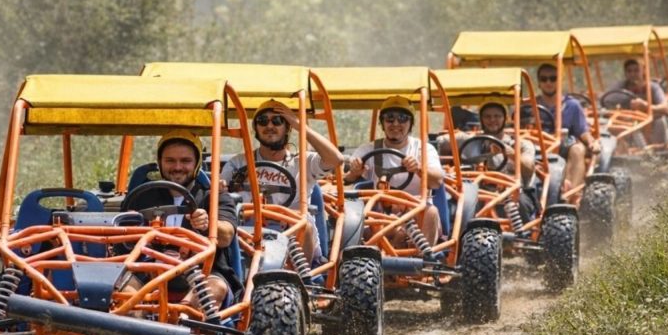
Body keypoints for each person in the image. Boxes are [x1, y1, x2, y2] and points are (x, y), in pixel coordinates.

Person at [123, 129, 240, 310]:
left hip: (205, 272)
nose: (177, 167)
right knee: (124, 294)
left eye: (185, 161)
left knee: (210, 291)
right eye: (170, 160)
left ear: (197, 164)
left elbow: (226, 236)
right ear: (160, 163)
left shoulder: (215, 198)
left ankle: (192, 332)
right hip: (146, 270)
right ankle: (136, 334)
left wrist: (209, 224)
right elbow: (122, 239)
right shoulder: (140, 198)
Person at [221, 99, 343, 263]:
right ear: (256, 129)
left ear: (287, 128)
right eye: (262, 121)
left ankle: (299, 279)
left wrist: (300, 125)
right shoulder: (238, 162)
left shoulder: (303, 161)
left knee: (303, 225)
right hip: (247, 229)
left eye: (277, 121)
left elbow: (336, 159)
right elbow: (219, 187)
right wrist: (221, 186)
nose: (269, 126)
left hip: (293, 231)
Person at [344, 95, 444, 254]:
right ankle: (359, 260)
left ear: (411, 123)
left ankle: (424, 266)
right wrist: (354, 172)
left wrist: (418, 169)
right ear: (382, 123)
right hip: (379, 212)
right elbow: (347, 180)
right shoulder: (369, 149)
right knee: (350, 216)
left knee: (431, 212)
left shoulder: (423, 149)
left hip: (416, 211)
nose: (396, 124)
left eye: (403, 118)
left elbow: (437, 181)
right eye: (390, 119)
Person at [535, 63, 600, 191]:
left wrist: (592, 142)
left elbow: (582, 130)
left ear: (560, 81)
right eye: (544, 79)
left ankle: (569, 196)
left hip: (563, 146)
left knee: (577, 149)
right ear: (539, 83)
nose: (548, 82)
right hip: (536, 146)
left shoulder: (572, 105)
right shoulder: (530, 106)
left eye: (553, 78)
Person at [457, 102, 536, 186]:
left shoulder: (521, 144)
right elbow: (443, 141)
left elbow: (529, 170)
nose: (492, 120)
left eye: (497, 116)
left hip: (511, 191)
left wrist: (513, 155)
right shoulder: (470, 141)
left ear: (505, 119)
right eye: (487, 116)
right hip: (475, 189)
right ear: (481, 120)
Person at [605, 58, 668, 146]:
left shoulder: (653, 87)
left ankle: (660, 148)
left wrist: (645, 106)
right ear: (625, 73)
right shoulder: (621, 86)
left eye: (636, 70)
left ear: (643, 71)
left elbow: (665, 108)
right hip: (627, 121)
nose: (632, 74)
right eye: (629, 71)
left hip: (650, 123)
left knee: (660, 120)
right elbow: (607, 99)